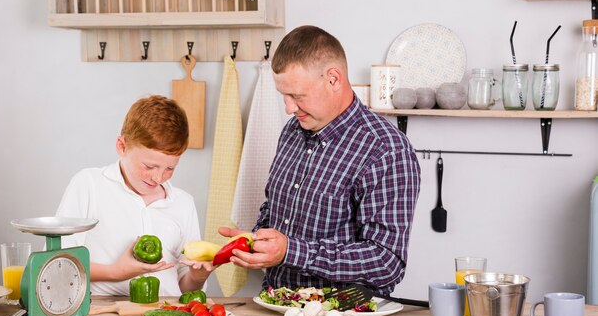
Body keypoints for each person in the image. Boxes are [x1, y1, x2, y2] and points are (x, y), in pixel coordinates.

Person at [219, 25, 421, 298]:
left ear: (333, 79)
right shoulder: (293, 131)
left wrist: (291, 251)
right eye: (284, 96)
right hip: (275, 304)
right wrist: (257, 241)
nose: (289, 108)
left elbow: (386, 262)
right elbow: (274, 208)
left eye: (297, 96)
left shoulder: (385, 150)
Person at [56, 95, 215, 296]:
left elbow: (184, 288)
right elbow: (56, 262)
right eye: (149, 166)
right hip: (100, 314)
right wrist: (115, 272)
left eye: (170, 168)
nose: (158, 177)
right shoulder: (88, 184)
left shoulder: (183, 203)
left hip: (165, 315)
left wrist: (197, 277)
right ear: (122, 147)